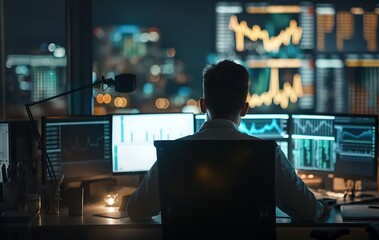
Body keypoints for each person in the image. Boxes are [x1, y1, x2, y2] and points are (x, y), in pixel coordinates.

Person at [126, 59, 329, 222]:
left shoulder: (171, 153)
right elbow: (310, 211)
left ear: (202, 106)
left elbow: (136, 210)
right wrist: (323, 206)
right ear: (245, 109)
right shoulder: (266, 153)